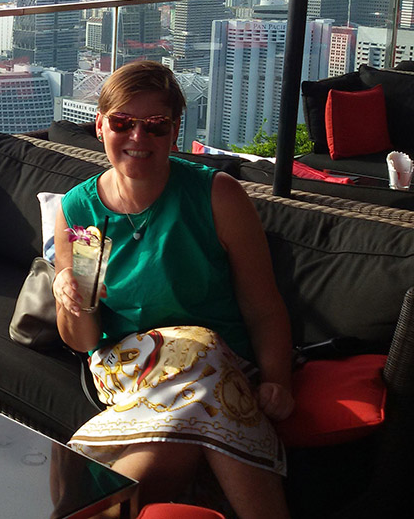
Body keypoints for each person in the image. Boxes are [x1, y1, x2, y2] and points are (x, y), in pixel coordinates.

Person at [51, 61, 295, 519]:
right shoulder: (78, 209)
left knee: (148, 468)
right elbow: (82, 341)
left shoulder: (216, 195)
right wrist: (69, 294)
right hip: (127, 365)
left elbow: (263, 306)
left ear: (175, 130)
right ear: (100, 124)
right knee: (199, 351)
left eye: (155, 125)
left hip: (217, 366)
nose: (138, 138)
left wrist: (278, 377)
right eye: (123, 122)